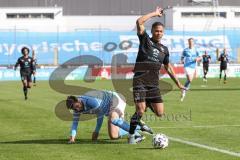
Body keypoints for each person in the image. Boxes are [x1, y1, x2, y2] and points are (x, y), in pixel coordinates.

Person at [128, 6, 184, 144]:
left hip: (153, 85)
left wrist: (178, 84)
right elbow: (139, 22)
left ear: (163, 33)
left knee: (160, 113)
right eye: (156, 31)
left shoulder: (164, 50)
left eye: (161, 31)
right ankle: (131, 136)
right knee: (140, 111)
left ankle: (144, 105)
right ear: (152, 31)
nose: (159, 33)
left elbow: (168, 67)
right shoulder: (145, 40)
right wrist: (154, 13)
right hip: (140, 81)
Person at [66, 90, 152, 144]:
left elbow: (100, 116)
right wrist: (72, 138)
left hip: (116, 99)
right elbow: (74, 124)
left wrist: (96, 131)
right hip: (108, 108)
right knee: (114, 136)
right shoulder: (76, 109)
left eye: (77, 106)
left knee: (113, 119)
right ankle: (138, 126)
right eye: (74, 109)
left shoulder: (90, 101)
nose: (77, 109)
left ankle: (137, 135)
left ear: (79, 101)